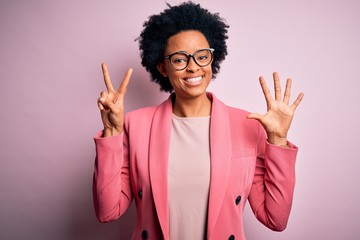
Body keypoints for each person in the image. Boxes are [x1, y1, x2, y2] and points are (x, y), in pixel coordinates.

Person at [93, 2, 304, 240]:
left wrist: (278, 141)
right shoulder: (135, 124)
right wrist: (111, 131)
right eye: (180, 59)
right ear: (163, 67)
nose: (194, 67)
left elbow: (275, 219)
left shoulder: (247, 124)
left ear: (212, 61)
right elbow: (107, 211)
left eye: (202, 56)